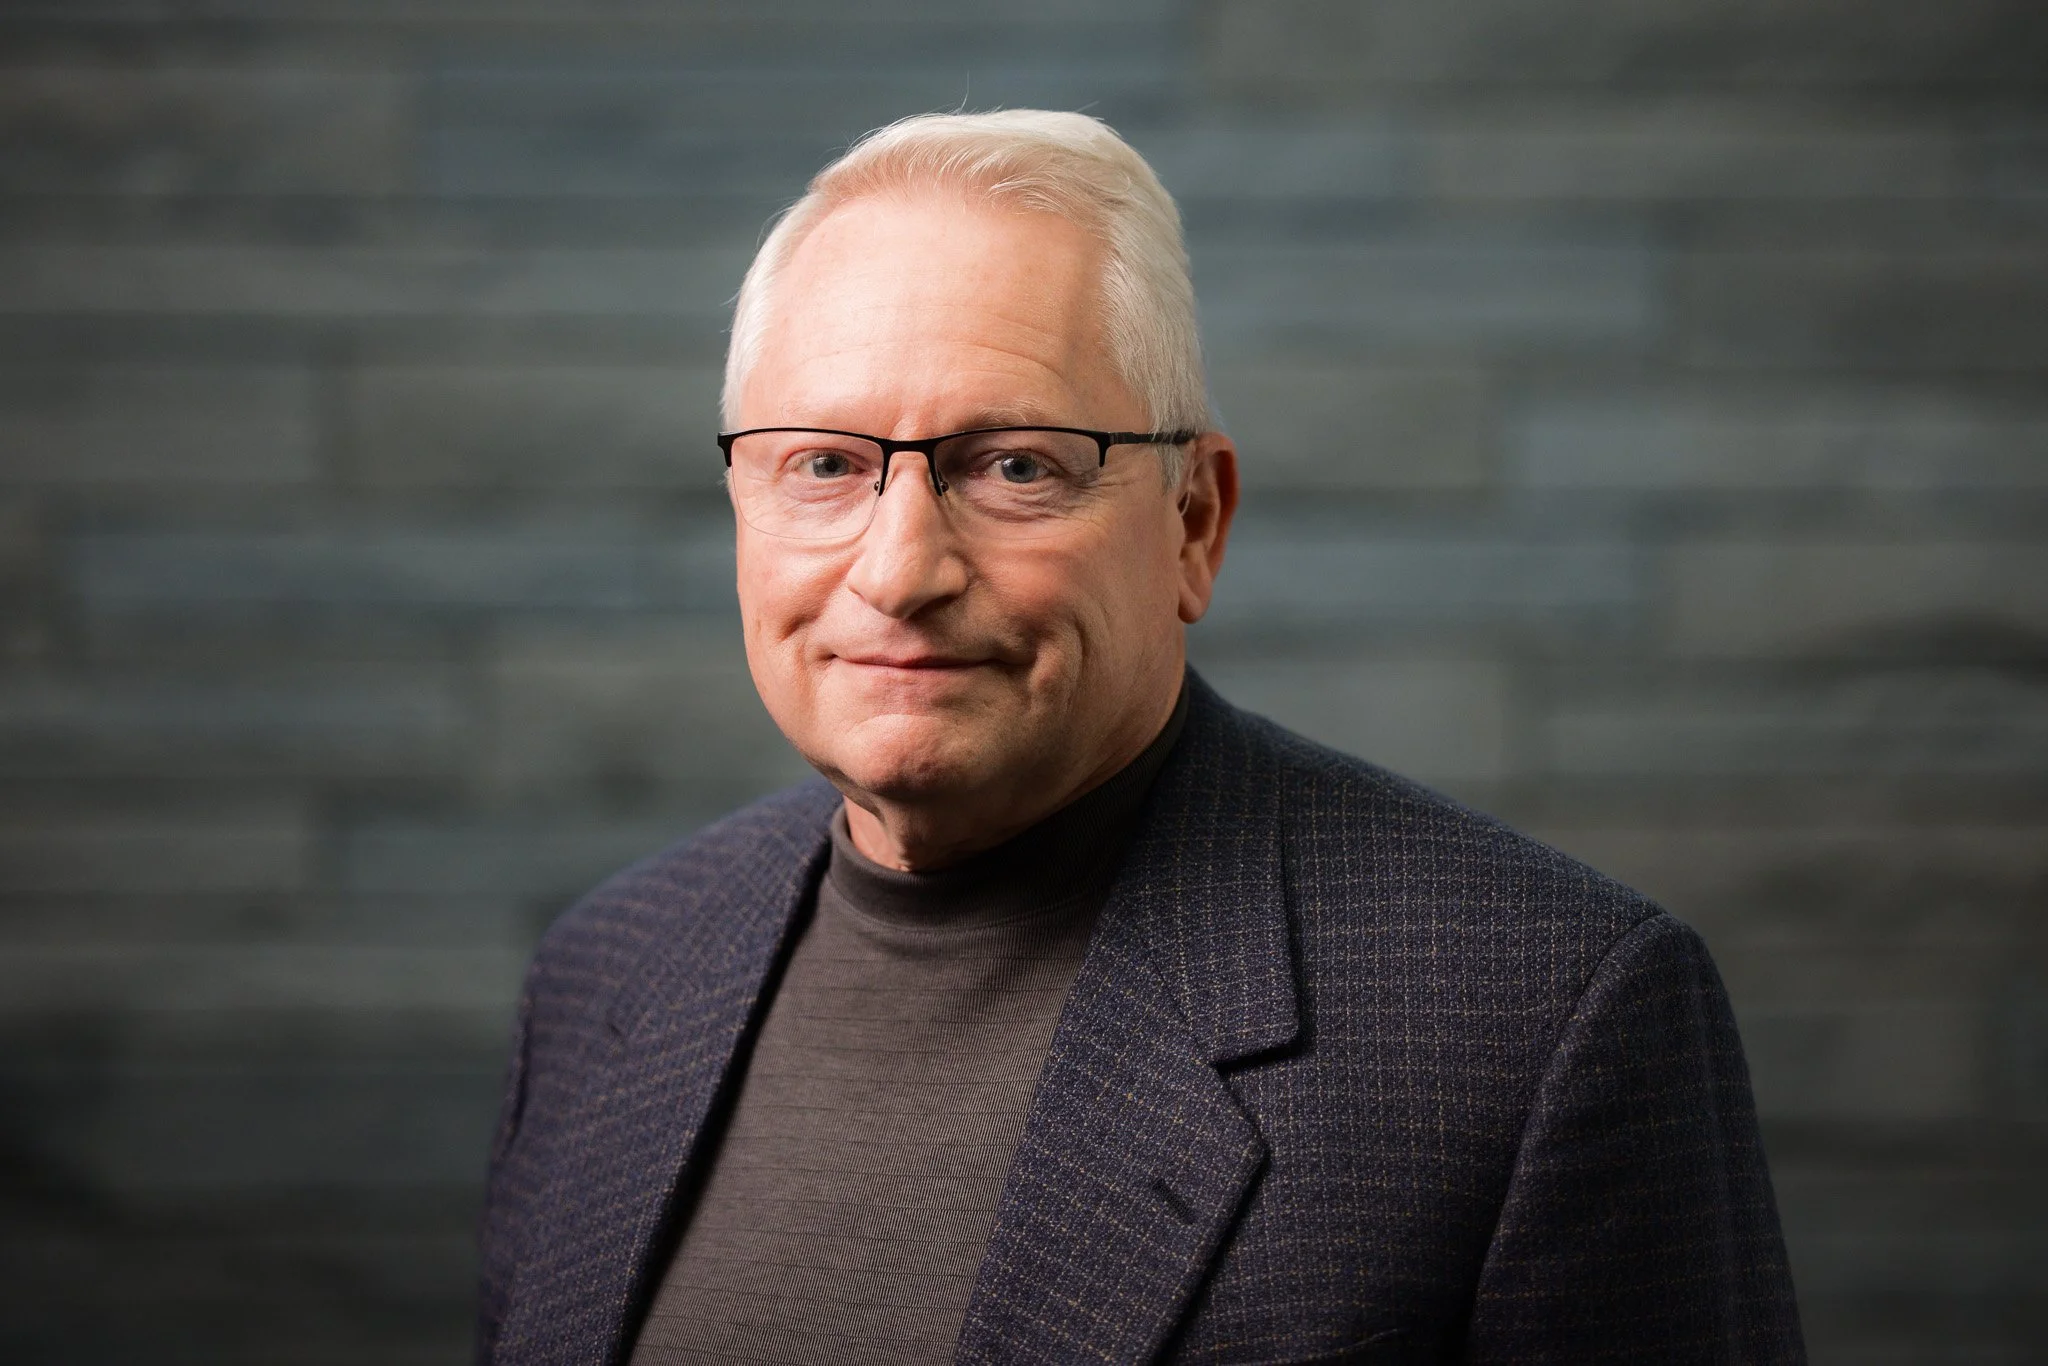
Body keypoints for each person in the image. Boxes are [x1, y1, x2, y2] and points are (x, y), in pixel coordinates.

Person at [475, 110, 1803, 1366]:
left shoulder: (1541, 1019)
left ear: (1191, 523)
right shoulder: (607, 976)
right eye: (824, 464)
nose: (898, 569)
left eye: (1015, 466)